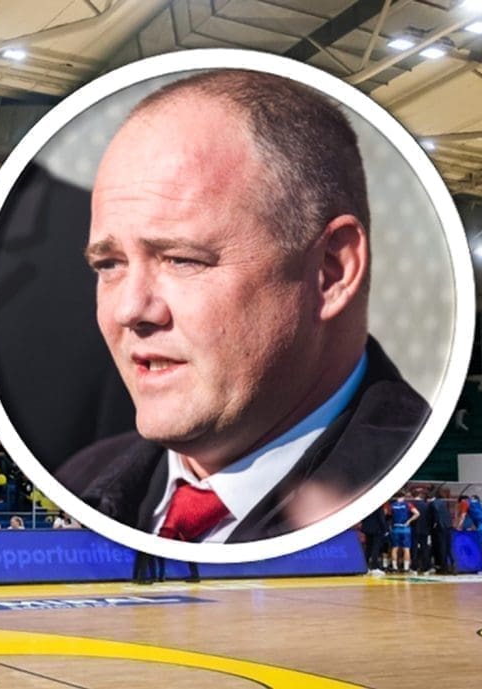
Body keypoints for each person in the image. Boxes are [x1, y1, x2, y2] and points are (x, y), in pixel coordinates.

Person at [57, 69, 430, 543]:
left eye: (182, 259)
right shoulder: (81, 477)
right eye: (109, 264)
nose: (130, 310)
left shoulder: (396, 478)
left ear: (330, 271)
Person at [456, 494, 482, 574]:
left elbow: (463, 516)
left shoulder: (465, 503)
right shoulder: (477, 503)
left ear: (461, 501)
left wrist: (459, 526)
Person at [388, 492, 419, 574]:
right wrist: (409, 521)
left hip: (395, 528)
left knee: (395, 548)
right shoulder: (408, 504)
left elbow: (387, 515)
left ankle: (394, 567)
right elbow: (417, 513)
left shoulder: (392, 505)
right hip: (405, 529)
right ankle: (406, 568)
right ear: (403, 497)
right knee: (406, 548)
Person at [427, 488, 455, 575]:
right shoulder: (442, 502)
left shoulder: (432, 504)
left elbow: (435, 515)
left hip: (440, 528)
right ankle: (453, 565)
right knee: (448, 547)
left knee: (441, 548)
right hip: (448, 526)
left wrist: (434, 524)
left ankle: (443, 568)